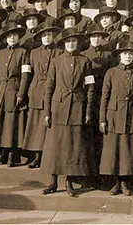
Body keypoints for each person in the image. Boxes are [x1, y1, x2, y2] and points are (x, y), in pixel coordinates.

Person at [41, 28, 96, 197]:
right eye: (68, 41)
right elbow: (49, 87)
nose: (71, 44)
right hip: (59, 108)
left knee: (72, 146)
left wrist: (87, 111)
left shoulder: (85, 61)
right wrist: (47, 112)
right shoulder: (56, 61)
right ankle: (53, 181)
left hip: (77, 108)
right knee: (56, 146)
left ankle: (69, 182)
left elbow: (90, 89)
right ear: (64, 44)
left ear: (78, 43)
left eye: (74, 41)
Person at [99, 41, 133, 196]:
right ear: (120, 56)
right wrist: (102, 119)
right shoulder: (111, 73)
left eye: (130, 54)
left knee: (128, 150)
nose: (127, 56)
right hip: (114, 116)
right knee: (114, 149)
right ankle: (115, 183)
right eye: (125, 54)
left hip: (132, 115)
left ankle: (125, 183)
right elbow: (104, 97)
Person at [0, 22, 31, 167]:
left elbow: (25, 76)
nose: (12, 38)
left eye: (15, 35)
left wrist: (21, 94)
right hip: (2, 91)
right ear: (5, 38)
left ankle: (13, 155)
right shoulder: (0, 53)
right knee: (1, 123)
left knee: (12, 124)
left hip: (14, 90)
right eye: (9, 36)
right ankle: (3, 154)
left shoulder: (23, 52)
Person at [22, 21, 62, 169]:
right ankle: (36, 156)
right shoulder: (34, 53)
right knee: (36, 125)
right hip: (37, 90)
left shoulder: (60, 52)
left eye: (49, 34)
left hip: (54, 90)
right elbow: (28, 74)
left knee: (50, 124)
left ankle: (48, 155)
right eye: (44, 35)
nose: (47, 37)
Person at [81, 24, 115, 179]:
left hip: (104, 97)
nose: (96, 39)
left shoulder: (109, 55)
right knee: (89, 134)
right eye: (93, 37)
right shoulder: (83, 55)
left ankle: (104, 172)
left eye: (99, 37)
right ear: (89, 38)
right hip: (88, 98)